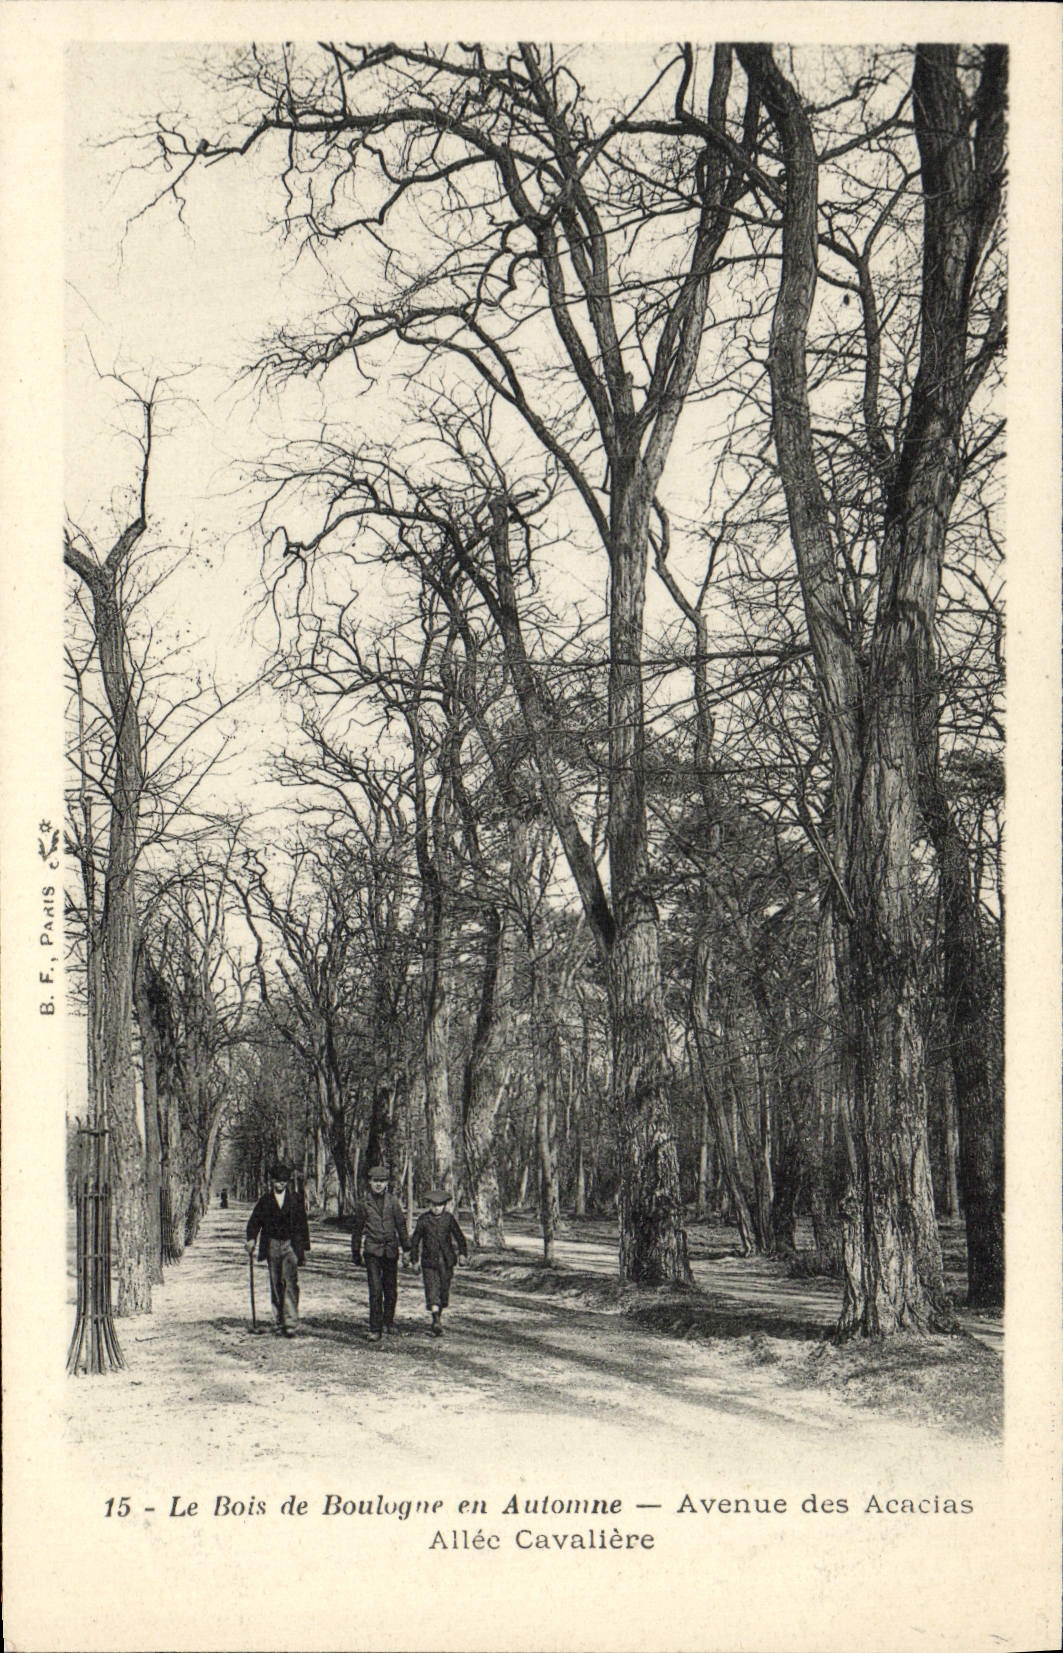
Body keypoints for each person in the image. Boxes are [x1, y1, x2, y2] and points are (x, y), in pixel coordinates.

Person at [245, 1163, 310, 1338]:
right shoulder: (265, 1201)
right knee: (275, 1283)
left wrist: (304, 1249)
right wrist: (251, 1239)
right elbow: (254, 1222)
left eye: (284, 1182)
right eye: (277, 1181)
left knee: (290, 1283)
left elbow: (303, 1225)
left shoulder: (296, 1199)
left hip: (291, 1245)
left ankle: (290, 1323)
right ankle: (278, 1320)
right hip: (272, 1244)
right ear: (272, 1181)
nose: (280, 1185)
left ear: (288, 1182)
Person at [350, 1166, 410, 1342]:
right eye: (375, 1181)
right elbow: (357, 1229)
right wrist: (355, 1251)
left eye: (382, 1182)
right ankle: (375, 1328)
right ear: (370, 1182)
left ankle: (388, 1322)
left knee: (390, 1290)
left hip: (390, 1251)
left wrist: (407, 1248)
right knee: (375, 1290)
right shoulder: (363, 1204)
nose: (378, 1185)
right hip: (372, 1252)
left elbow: (401, 1226)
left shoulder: (393, 1202)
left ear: (387, 1183)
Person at [409, 1188, 468, 1337]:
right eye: (433, 1205)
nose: (436, 1208)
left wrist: (462, 1254)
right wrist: (414, 1260)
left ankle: (438, 1316)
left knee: (443, 1291)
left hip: (446, 1261)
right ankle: (435, 1320)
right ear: (429, 1205)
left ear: (445, 1206)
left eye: (440, 1205)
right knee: (432, 1289)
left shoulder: (448, 1219)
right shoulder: (423, 1220)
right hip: (429, 1262)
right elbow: (415, 1241)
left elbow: (460, 1237)